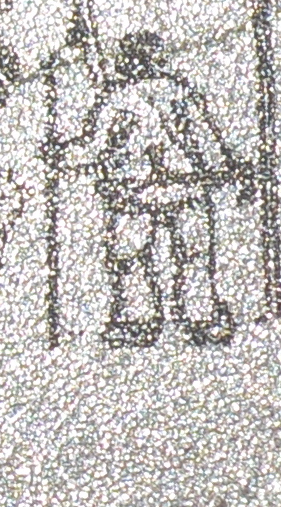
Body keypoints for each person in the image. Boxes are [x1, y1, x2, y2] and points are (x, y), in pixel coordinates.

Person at [82, 31, 244, 347]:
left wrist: (73, 157)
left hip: (137, 188)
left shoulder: (118, 99)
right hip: (181, 185)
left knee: (132, 256)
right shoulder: (176, 94)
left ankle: (137, 318)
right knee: (192, 254)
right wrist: (223, 166)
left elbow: (96, 146)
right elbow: (204, 137)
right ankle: (200, 316)